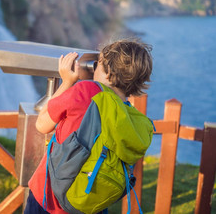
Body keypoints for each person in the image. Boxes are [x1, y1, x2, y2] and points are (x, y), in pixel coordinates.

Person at [24, 39, 153, 214]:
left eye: (97, 64)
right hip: (90, 203)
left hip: (50, 199)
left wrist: (67, 81)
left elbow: (42, 124)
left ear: (108, 74)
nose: (93, 69)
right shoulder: (128, 115)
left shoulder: (86, 91)